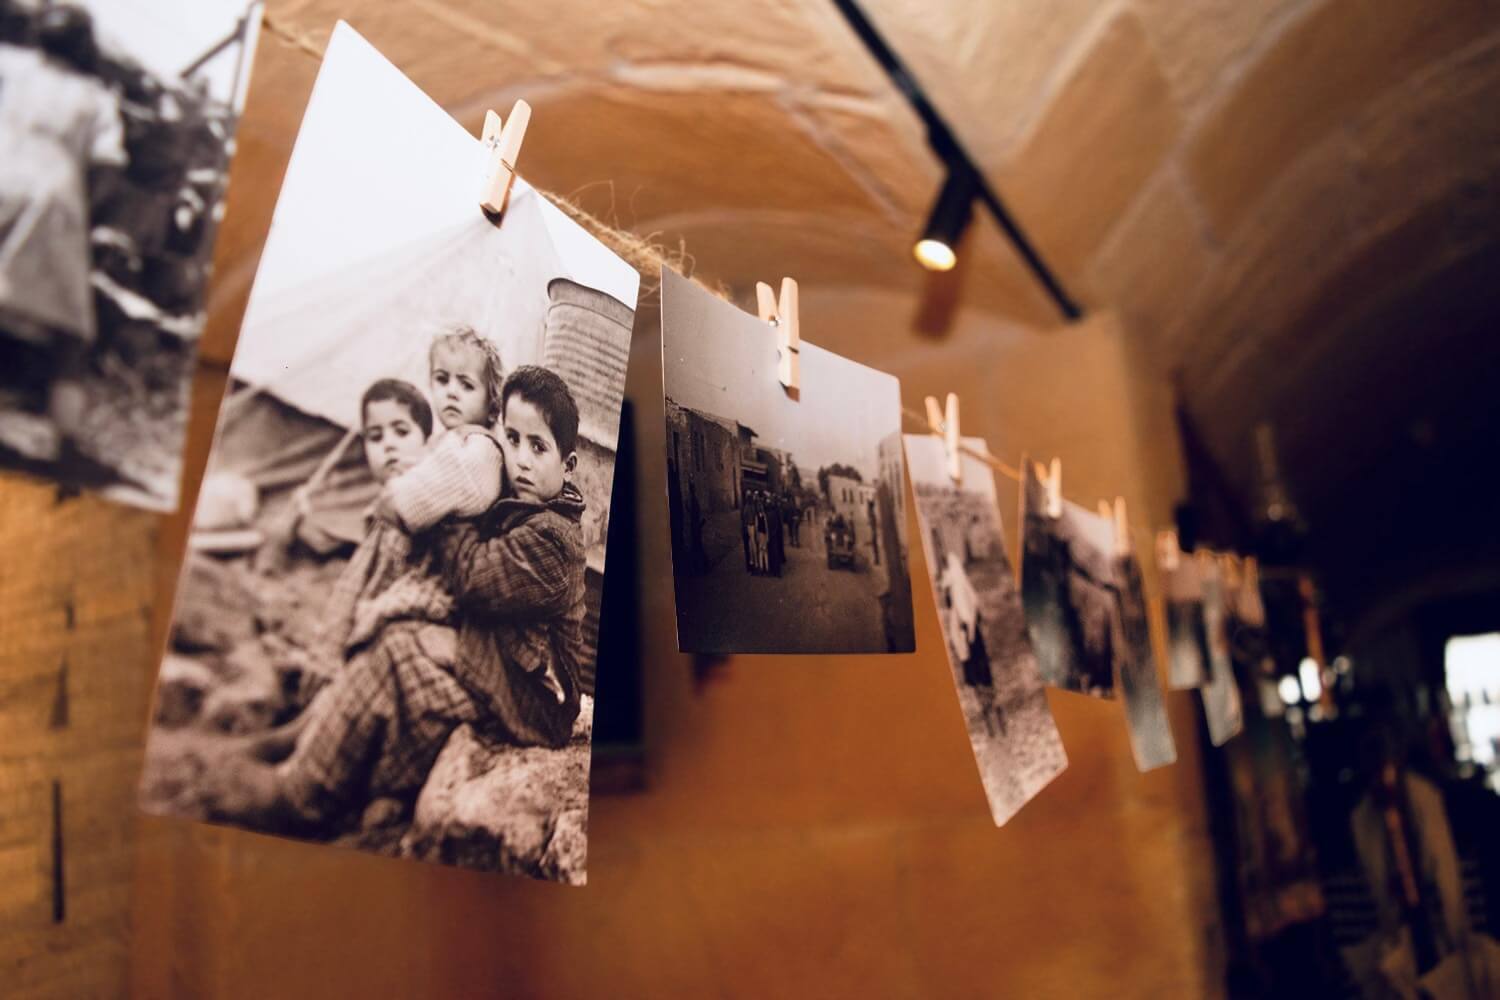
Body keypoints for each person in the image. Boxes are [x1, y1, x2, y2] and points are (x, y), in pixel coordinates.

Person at [206, 366, 590, 830]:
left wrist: (449, 508)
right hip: (502, 655)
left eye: (538, 446)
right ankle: (304, 739)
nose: (521, 459)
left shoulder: (555, 542)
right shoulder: (524, 506)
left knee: (400, 658)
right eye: (512, 439)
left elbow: (473, 579)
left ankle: (305, 792)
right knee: (394, 627)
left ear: (567, 465)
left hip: (533, 697)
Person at [0, 6, 127, 460]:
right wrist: (86, 212)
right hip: (53, 198)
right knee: (71, 328)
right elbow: (109, 166)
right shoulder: (95, 96)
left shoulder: (11, 66)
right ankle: (64, 434)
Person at [375, 325, 506, 532]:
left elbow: (457, 479)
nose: (451, 392)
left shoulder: (482, 447)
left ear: (492, 405)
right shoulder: (445, 439)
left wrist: (398, 498)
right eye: (442, 379)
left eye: (466, 385)